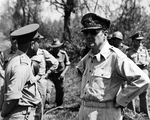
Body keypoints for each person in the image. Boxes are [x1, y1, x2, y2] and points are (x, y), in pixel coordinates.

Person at [74, 13, 150, 120]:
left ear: (105, 33)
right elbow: (77, 72)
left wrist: (120, 100)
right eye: (86, 32)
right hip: (84, 110)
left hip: (105, 113)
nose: (88, 36)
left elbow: (143, 80)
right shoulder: (88, 57)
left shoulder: (115, 56)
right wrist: (82, 93)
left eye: (93, 32)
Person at [1, 24, 42, 120]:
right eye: (37, 42)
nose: (39, 45)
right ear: (32, 44)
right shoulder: (22, 65)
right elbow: (12, 98)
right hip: (22, 115)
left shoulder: (19, 60)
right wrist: (3, 115)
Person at [30, 34, 59, 117]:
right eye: (37, 42)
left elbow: (55, 63)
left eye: (38, 42)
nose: (38, 43)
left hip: (40, 83)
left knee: (40, 107)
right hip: (29, 83)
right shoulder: (26, 53)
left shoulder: (43, 53)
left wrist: (47, 73)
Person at [126, 31, 150, 118]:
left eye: (140, 40)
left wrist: (146, 63)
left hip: (143, 74)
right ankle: (131, 115)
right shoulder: (129, 51)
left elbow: (148, 60)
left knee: (144, 95)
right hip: (133, 75)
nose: (140, 42)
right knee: (131, 95)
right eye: (137, 40)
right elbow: (126, 63)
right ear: (133, 41)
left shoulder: (144, 50)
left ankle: (145, 115)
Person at [48, 38, 70, 107]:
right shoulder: (49, 54)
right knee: (47, 89)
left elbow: (67, 64)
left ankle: (59, 105)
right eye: (54, 48)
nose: (55, 49)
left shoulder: (63, 54)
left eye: (57, 47)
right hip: (51, 75)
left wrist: (63, 73)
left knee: (60, 89)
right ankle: (46, 104)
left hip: (60, 75)